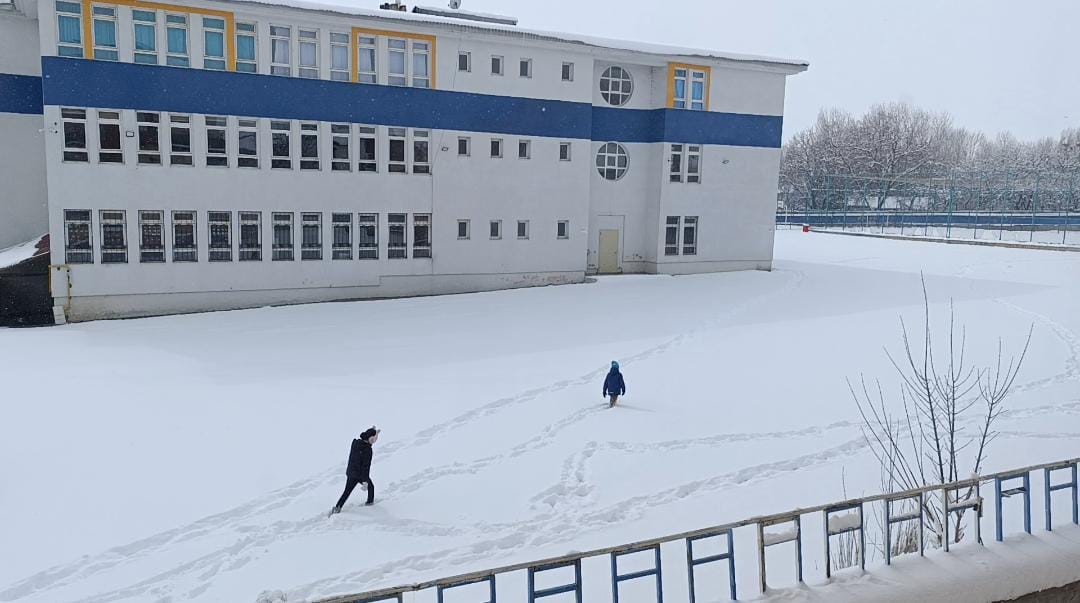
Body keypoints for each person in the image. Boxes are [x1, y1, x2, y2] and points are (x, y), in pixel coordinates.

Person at [329, 426, 379, 516]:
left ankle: (337, 508)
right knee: (371, 487)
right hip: (359, 474)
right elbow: (365, 467)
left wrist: (372, 432)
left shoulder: (356, 443)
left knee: (346, 492)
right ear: (370, 439)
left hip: (351, 472)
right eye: (374, 440)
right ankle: (370, 505)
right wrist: (365, 481)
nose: (375, 441)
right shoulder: (368, 450)